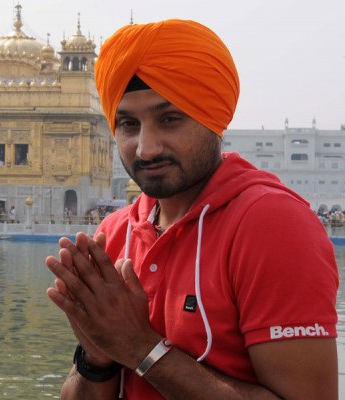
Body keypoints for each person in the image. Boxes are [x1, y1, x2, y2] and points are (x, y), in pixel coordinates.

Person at [44, 19, 338, 399]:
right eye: (128, 124)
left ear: (212, 117)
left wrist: (139, 347)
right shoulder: (117, 231)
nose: (145, 148)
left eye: (170, 119)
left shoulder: (270, 225)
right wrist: (97, 356)